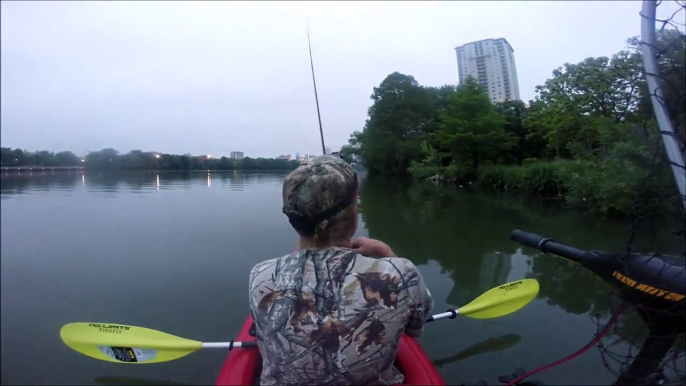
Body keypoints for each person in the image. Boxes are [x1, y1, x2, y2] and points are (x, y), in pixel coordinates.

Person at [248, 155, 433, 386]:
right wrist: (387, 253)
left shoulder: (260, 275)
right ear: (353, 213)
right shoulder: (401, 272)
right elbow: (414, 330)